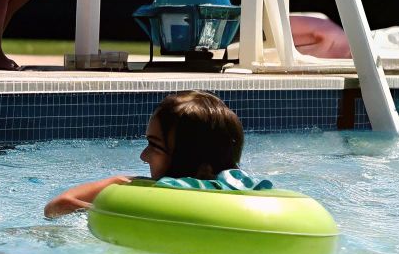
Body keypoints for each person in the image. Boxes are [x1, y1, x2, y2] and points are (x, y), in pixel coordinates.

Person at [43, 90, 272, 217]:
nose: (143, 157)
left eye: (154, 146)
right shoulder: (130, 186)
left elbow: (57, 206)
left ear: (199, 163)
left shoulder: (237, 192)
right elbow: (58, 207)